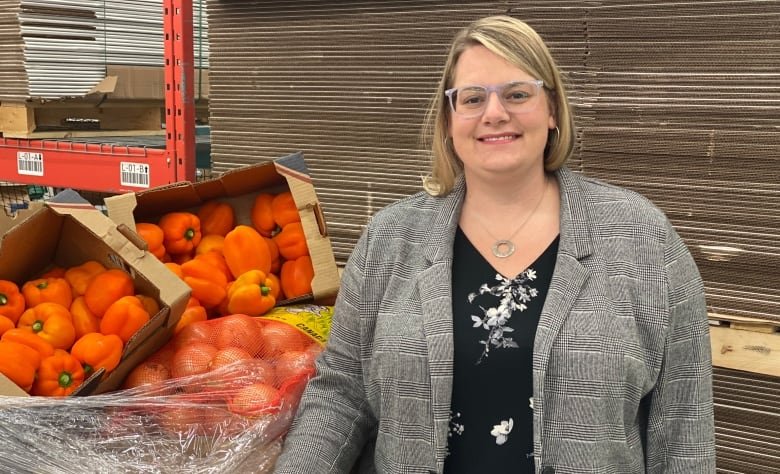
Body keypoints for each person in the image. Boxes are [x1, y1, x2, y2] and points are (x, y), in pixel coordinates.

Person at [274, 15, 715, 474]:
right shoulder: (390, 239)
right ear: (449, 120)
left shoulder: (641, 238)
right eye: (472, 98)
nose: (495, 113)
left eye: (517, 93)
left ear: (552, 110)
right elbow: (342, 393)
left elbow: (683, 428)